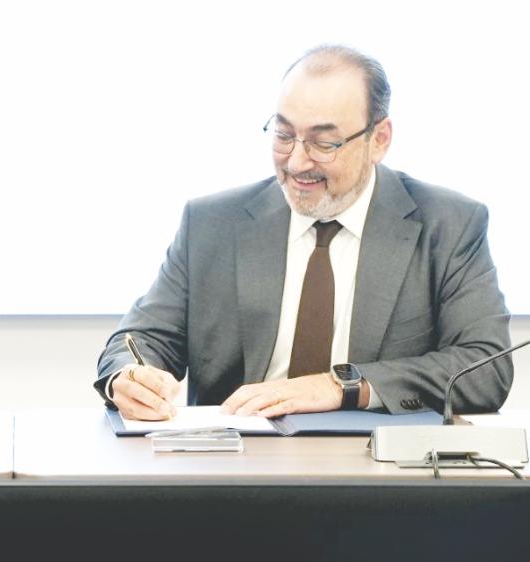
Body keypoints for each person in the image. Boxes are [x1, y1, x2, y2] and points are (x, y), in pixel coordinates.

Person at [96, 45, 512, 420]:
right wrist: (129, 377)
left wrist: (342, 386)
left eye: (323, 143)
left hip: (380, 464)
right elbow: (142, 338)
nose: (296, 162)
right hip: (238, 461)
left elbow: (486, 368)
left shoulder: (448, 225)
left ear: (379, 140)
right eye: (283, 135)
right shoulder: (212, 223)